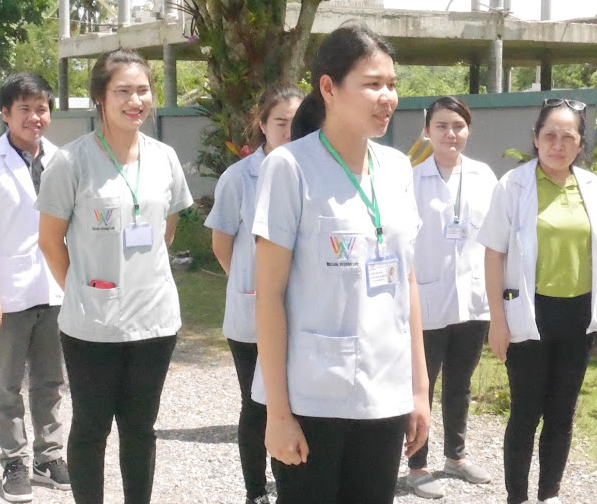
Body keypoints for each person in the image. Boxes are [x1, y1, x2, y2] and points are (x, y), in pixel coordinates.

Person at [251, 23, 430, 504]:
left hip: (384, 391)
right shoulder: (289, 168)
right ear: (328, 88)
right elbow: (268, 295)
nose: (387, 97)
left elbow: (407, 281)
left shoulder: (396, 168)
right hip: (313, 394)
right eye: (372, 84)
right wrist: (278, 414)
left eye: (391, 84)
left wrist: (418, 390)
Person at [35, 49, 193, 504]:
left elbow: (165, 231)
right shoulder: (71, 162)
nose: (135, 101)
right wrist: (82, 290)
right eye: (123, 91)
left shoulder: (164, 158)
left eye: (142, 90)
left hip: (155, 322)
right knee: (91, 427)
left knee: (141, 428)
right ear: (100, 98)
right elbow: (50, 241)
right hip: (92, 326)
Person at [478, 98, 597, 504]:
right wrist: (497, 320)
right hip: (529, 312)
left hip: (578, 315)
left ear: (580, 143)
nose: (558, 145)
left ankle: (550, 494)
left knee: (562, 413)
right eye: (550, 135)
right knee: (526, 413)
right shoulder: (513, 185)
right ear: (536, 138)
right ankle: (517, 496)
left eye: (568, 137)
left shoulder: (591, 187)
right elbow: (493, 253)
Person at [204, 83, 303, 504]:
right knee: (257, 405)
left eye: (297, 122)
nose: (289, 131)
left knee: (295, 405)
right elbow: (221, 243)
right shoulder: (239, 177)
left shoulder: (309, 170)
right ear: (262, 124)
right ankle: (255, 491)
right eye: (280, 122)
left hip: (299, 313)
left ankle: (289, 489)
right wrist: (250, 287)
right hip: (250, 315)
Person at [407, 96, 496, 499]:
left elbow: (495, 238)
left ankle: (455, 457)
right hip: (425, 300)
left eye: (458, 126)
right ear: (427, 130)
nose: (450, 134)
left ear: (468, 130)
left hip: (472, 301)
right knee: (421, 385)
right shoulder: (412, 179)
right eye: (441, 126)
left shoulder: (483, 176)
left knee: (460, 383)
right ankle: (418, 465)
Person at [0, 73, 70, 503]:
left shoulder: (63, 160)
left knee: (50, 380)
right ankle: (13, 460)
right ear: (5, 114)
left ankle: (49, 456)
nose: (34, 117)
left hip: (55, 287)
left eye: (41, 108)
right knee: (5, 384)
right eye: (24, 109)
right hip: (8, 292)